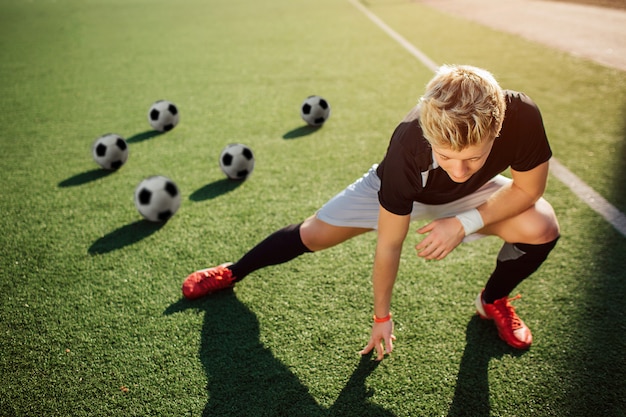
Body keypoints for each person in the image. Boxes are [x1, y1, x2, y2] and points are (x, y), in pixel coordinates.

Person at [182, 64, 560, 360]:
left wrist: (465, 222)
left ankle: (491, 300)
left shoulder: (521, 115)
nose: (459, 169)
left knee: (541, 224)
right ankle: (233, 271)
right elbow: (389, 245)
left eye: (474, 157)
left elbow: (528, 189)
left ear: (498, 128)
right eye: (446, 156)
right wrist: (382, 316)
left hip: (469, 199)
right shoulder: (408, 147)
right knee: (313, 234)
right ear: (429, 135)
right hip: (400, 187)